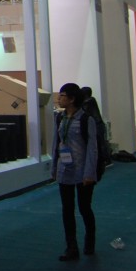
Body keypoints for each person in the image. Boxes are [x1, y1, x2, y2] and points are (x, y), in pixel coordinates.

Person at [52, 83, 97, 261]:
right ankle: (71, 247)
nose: (59, 98)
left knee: (85, 208)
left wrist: (89, 173)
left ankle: (89, 241)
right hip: (65, 170)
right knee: (67, 210)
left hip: (83, 171)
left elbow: (92, 148)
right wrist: (54, 167)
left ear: (71, 99)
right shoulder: (59, 118)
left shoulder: (86, 119)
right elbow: (56, 144)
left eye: (62, 95)